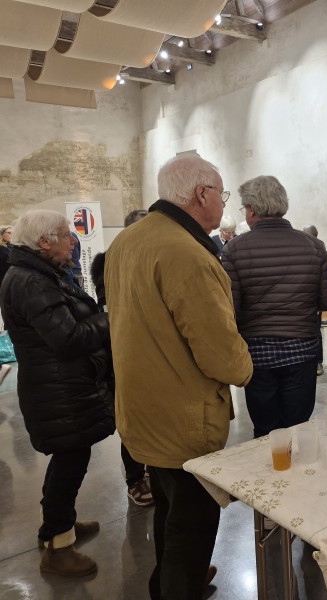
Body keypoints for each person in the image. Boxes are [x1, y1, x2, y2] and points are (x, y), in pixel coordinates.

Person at [105, 155, 253, 599]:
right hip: (184, 416)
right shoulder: (187, 253)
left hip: (143, 406)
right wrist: (246, 365)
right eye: (221, 194)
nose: (223, 203)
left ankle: (165, 584)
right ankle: (178, 588)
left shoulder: (128, 240)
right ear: (201, 195)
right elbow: (222, 356)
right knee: (193, 524)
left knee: (169, 509)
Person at [0, 209, 115, 576]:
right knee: (70, 461)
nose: (72, 241)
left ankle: (56, 526)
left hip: (60, 386)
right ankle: (58, 549)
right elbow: (67, 338)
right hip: (58, 390)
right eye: (66, 235)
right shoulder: (32, 281)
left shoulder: (39, 274)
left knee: (70, 459)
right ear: (44, 242)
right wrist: (112, 317)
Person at [223, 176, 327, 437]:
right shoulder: (314, 246)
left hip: (258, 356)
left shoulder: (234, 250)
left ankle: (269, 463)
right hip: (302, 352)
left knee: (266, 430)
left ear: (252, 210)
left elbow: (230, 309)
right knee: (298, 427)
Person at [89, 209, 153, 508]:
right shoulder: (109, 261)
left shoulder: (158, 257)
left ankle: (157, 468)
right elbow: (109, 307)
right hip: (124, 351)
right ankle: (135, 478)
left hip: (155, 351)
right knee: (132, 418)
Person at [300, 224, 325, 376]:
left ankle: (318, 362)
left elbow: (323, 281)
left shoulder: (319, 250)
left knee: (316, 332)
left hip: (314, 301)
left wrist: (320, 304)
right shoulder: (301, 250)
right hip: (304, 300)